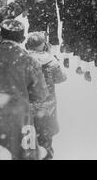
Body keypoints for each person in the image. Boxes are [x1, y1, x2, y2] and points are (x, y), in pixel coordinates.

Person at [0, 20, 49, 160]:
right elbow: (41, 95)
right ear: (22, 39)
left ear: (0, 36)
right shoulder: (30, 61)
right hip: (18, 123)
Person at [25, 32, 67, 160]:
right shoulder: (51, 61)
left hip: (29, 106)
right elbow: (61, 78)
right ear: (43, 45)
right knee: (46, 138)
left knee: (29, 138)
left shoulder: (23, 61)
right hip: (48, 107)